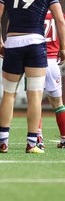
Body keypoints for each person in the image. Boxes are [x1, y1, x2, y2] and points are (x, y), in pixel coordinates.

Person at [0, 0, 65, 154]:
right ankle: (32, 143)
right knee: (34, 96)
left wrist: (0, 42)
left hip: (13, 42)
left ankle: (3, 142)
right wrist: (63, 48)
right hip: (35, 43)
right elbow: (60, 20)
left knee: (9, 94)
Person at [35, 10, 65, 149]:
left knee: (35, 101)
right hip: (53, 61)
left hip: (35, 61)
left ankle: (37, 138)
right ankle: (64, 138)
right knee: (58, 103)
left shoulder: (33, 13)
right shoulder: (59, 15)